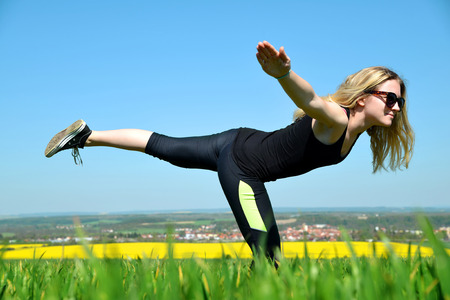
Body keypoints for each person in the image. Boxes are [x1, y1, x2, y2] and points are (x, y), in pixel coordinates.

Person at [45, 41, 414, 264]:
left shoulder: (355, 132)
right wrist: (284, 74)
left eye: (401, 101)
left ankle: (86, 136)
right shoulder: (337, 119)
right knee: (269, 253)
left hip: (236, 140)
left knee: (164, 146)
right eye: (391, 98)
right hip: (243, 167)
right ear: (364, 97)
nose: (397, 107)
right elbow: (313, 100)